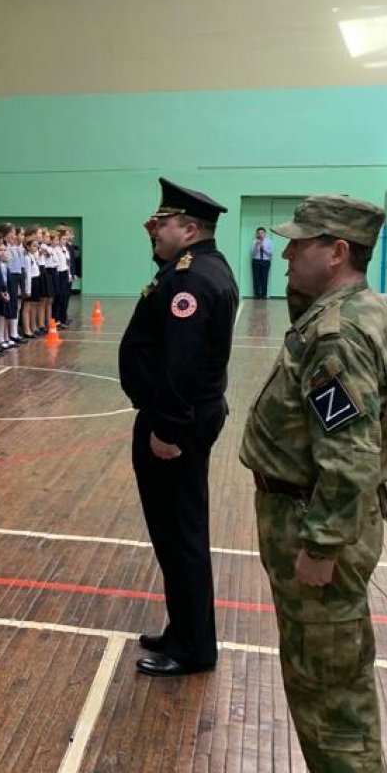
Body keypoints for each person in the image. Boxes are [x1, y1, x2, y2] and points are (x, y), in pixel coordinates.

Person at [240, 194, 387, 773]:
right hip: (312, 513)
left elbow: (350, 453)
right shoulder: (353, 309)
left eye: (300, 245)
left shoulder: (337, 334)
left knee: (327, 675)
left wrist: (321, 544)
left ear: (337, 252)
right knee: (329, 667)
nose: (286, 255)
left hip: (313, 520)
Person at [118, 178, 239, 679]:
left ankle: (192, 648)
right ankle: (184, 630)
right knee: (174, 534)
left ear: (189, 229)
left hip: (176, 424)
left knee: (180, 534)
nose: (153, 228)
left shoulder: (190, 280)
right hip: (182, 417)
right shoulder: (195, 268)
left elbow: (181, 364)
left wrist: (166, 428)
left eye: (162, 222)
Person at [251, 226, 273, 300]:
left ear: (265, 233)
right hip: (256, 261)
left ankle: (264, 295)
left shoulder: (269, 241)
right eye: (259, 233)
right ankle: (256, 295)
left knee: (264, 278)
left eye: (262, 233)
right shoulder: (254, 241)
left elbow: (271, 253)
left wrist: (264, 248)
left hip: (265, 261)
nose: (260, 234)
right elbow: (252, 253)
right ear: (257, 234)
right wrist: (256, 246)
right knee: (256, 278)